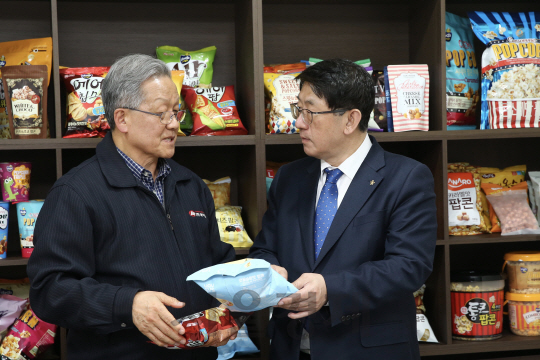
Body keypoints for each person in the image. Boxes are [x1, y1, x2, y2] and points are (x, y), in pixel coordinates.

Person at [27, 54, 236, 359]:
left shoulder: (191, 185)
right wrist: (128, 304)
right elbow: (50, 291)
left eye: (176, 112)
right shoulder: (76, 193)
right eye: (161, 113)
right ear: (122, 118)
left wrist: (245, 292)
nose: (174, 124)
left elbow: (216, 265)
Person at [249, 59, 437, 360]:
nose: (299, 122)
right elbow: (264, 248)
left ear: (350, 120)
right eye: (298, 109)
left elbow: (409, 265)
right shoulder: (290, 177)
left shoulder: (406, 178)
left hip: (366, 350)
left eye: (310, 112)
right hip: (292, 348)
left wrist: (330, 289)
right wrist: (268, 270)